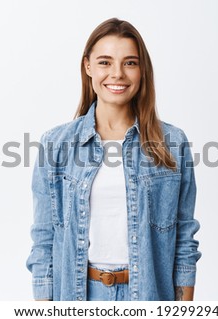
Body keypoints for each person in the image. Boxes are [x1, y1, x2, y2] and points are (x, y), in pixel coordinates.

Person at [26, 17, 201, 301]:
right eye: (105, 62)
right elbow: (45, 239)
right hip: (79, 295)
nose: (117, 73)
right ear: (88, 67)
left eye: (130, 63)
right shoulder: (56, 145)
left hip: (148, 295)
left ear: (142, 70)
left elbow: (184, 239)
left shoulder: (172, 144)